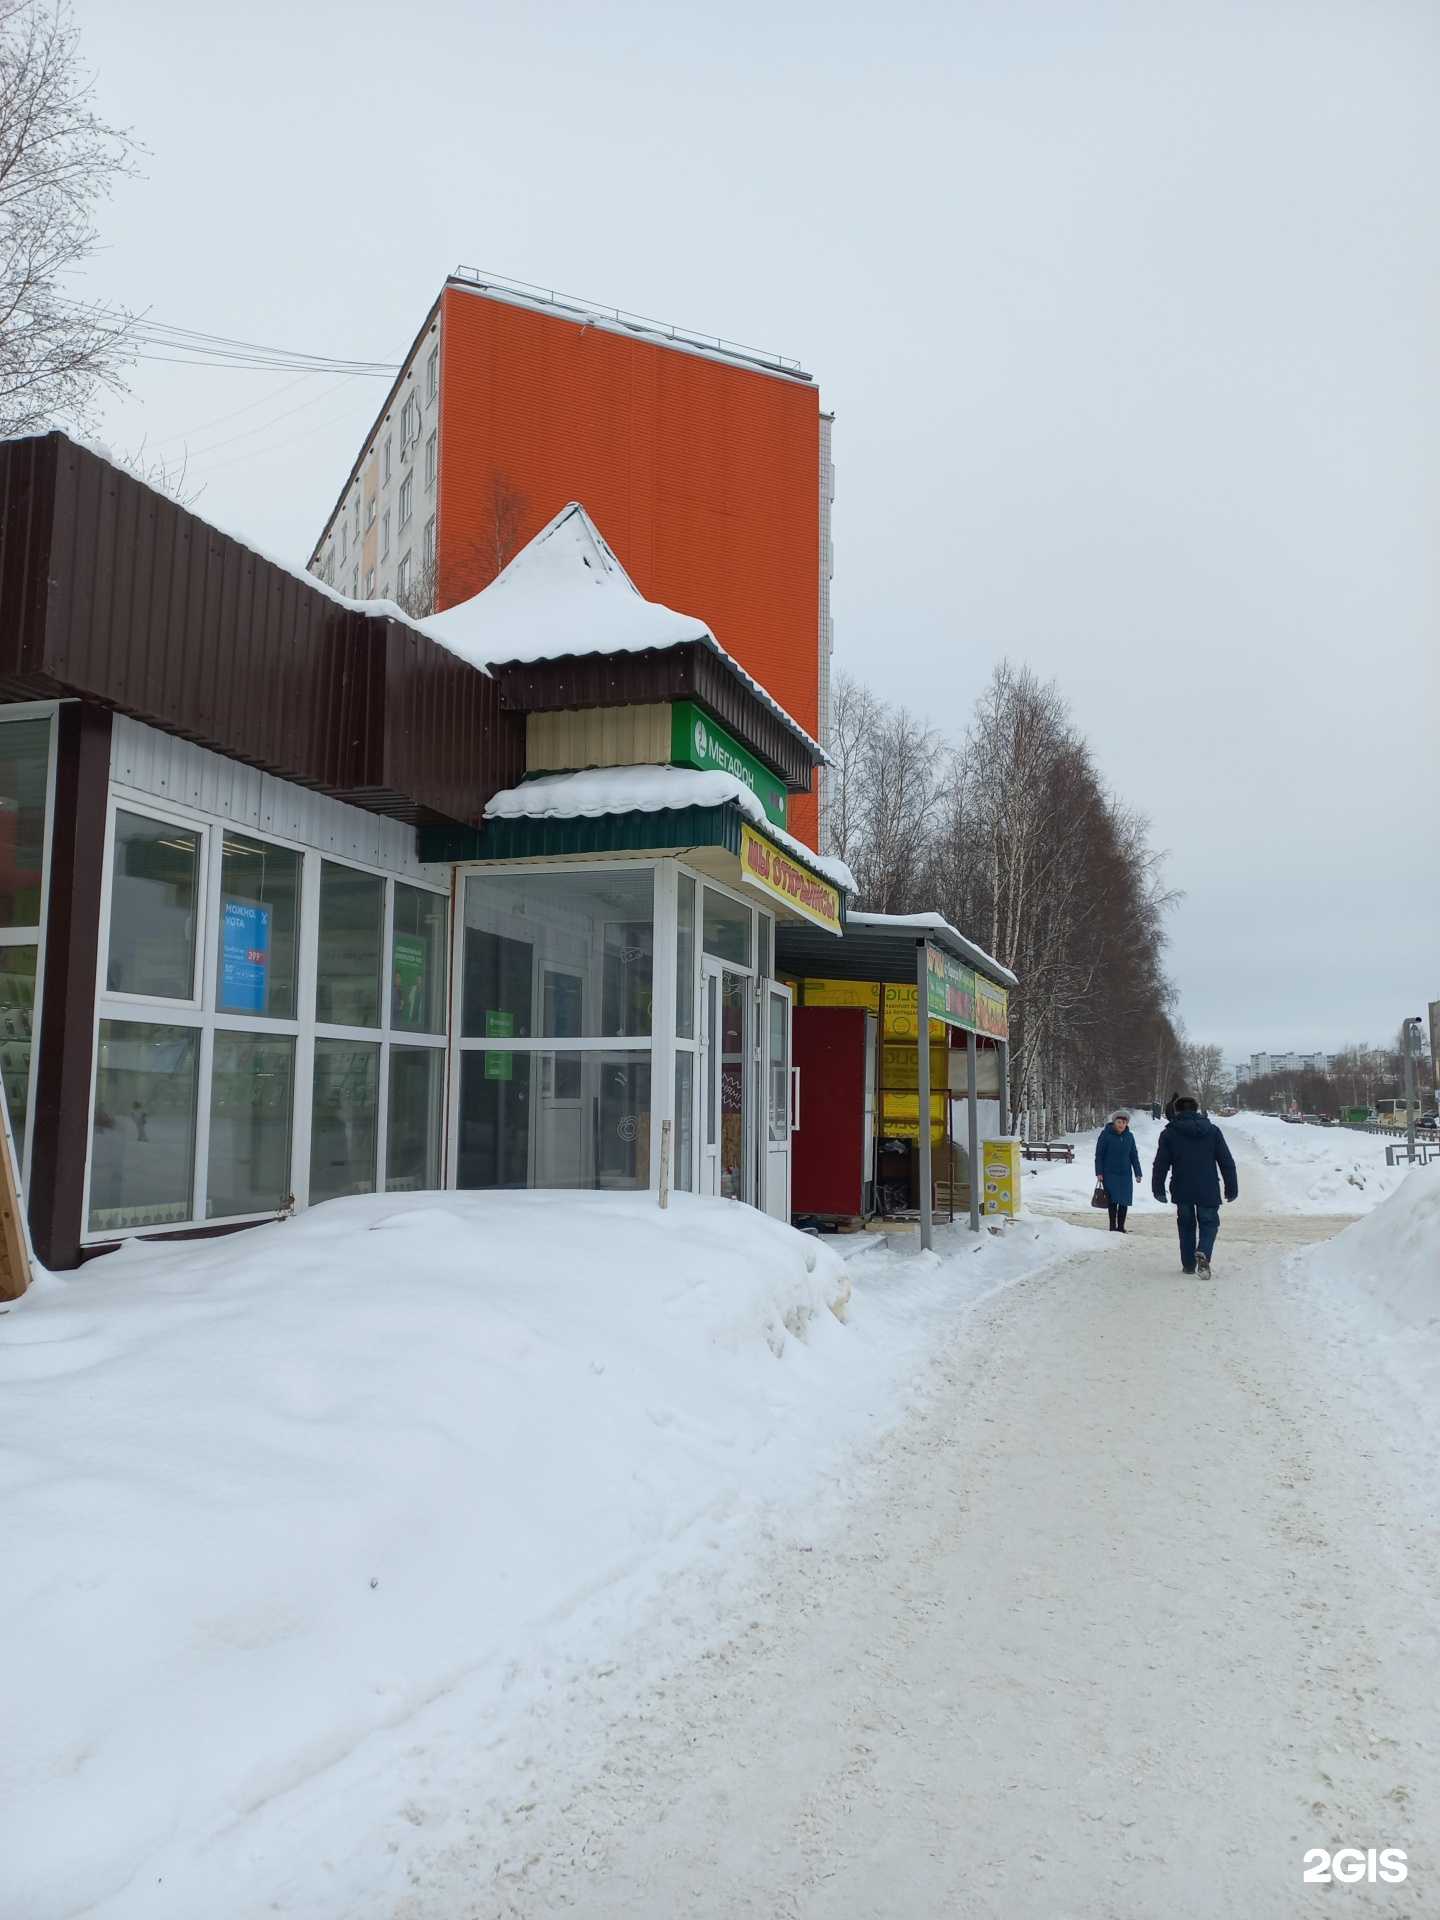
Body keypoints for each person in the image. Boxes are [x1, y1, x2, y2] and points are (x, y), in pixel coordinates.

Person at [1151, 1094, 1238, 1277]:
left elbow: (1161, 1164)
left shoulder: (1170, 1133)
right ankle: (1204, 1251)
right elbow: (1226, 1161)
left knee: (1186, 1225)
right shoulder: (1212, 1131)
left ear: (1178, 1110)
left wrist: (1158, 1188)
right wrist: (1231, 1187)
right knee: (1209, 1223)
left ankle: (1189, 1265)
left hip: (1182, 1187)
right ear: (1197, 1110)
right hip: (1208, 1187)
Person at [1094, 1109, 1143, 1232]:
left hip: (1125, 1174)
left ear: (1127, 1124)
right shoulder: (1105, 1135)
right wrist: (1099, 1172)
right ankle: (1112, 1227)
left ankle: (1121, 1227)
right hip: (1109, 1174)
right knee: (1112, 1201)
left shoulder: (1129, 1136)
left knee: (1124, 1201)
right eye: (1119, 1122)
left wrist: (1138, 1173)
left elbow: (1134, 1155)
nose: (1121, 1125)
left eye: (1124, 1123)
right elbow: (1099, 1155)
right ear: (1114, 1122)